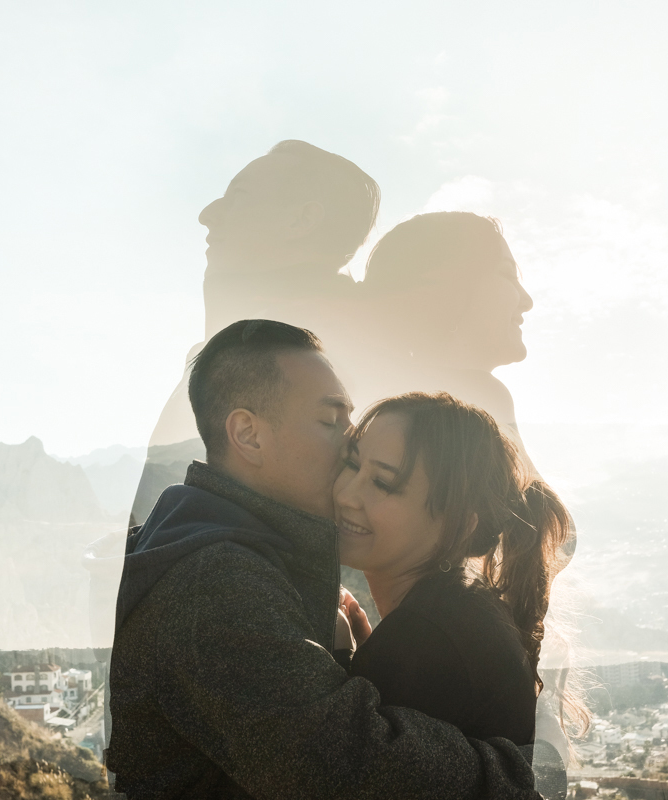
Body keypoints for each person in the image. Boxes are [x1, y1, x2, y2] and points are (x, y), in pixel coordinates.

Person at [106, 319, 542, 799]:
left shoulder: (218, 550)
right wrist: (516, 776)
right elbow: (342, 766)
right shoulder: (215, 581)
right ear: (248, 435)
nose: (349, 440)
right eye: (330, 420)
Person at [332, 392, 588, 772]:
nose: (346, 494)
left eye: (383, 483)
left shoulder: (425, 640)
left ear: (457, 525)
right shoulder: (458, 614)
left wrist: (341, 665)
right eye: (351, 465)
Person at [138, 140, 381, 498]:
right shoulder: (276, 333)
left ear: (301, 220)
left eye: (238, 197)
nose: (208, 213)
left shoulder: (322, 350)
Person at [354, 211, 534, 464]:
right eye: (506, 274)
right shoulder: (476, 398)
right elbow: (532, 503)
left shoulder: (374, 396)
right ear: (442, 287)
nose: (527, 301)